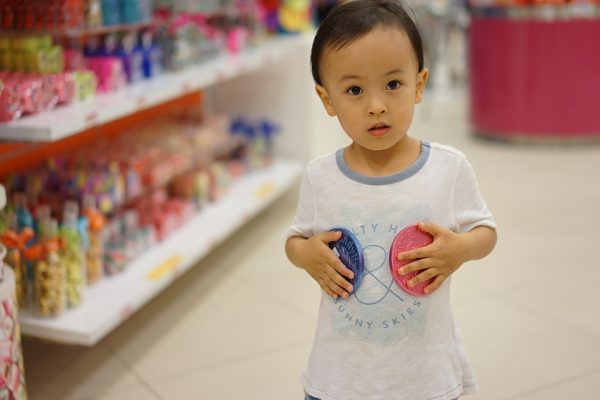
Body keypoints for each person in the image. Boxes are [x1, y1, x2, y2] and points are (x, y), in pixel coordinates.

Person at [283, 0, 498, 399]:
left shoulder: (448, 169)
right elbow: (295, 241)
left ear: (418, 85)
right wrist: (307, 255)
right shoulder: (320, 177)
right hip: (338, 376)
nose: (376, 105)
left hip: (424, 375)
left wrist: (462, 248)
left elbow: (485, 231)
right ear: (327, 99)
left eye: (393, 84)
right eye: (354, 90)